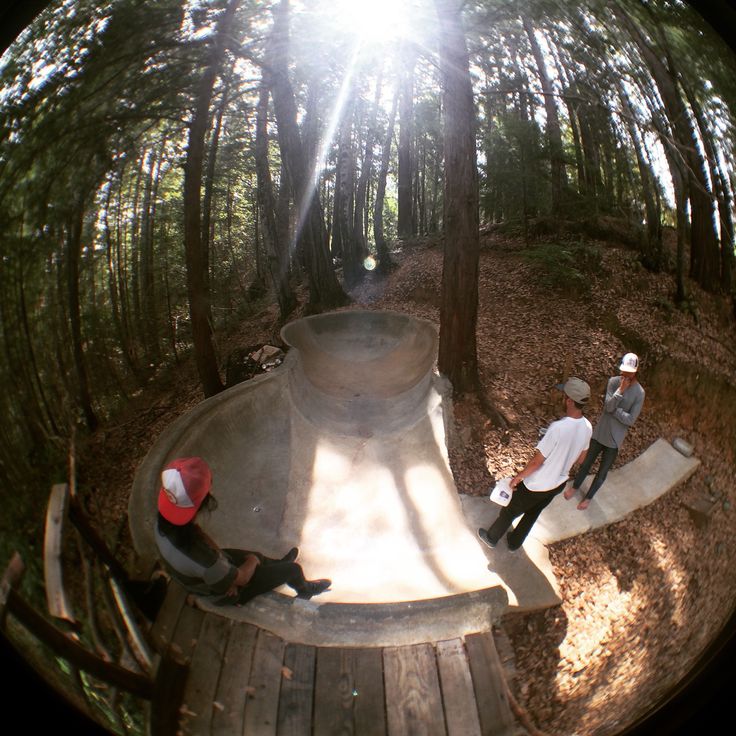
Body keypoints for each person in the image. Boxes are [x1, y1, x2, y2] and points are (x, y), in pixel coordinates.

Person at [154, 456, 331, 604]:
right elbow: (242, 578)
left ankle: (276, 565)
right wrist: (240, 570)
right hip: (224, 593)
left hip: (205, 575)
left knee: (255, 556)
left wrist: (223, 561)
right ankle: (305, 589)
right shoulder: (206, 562)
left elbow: (198, 533)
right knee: (292, 569)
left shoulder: (165, 522)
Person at [478, 377, 592, 551]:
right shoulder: (588, 427)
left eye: (563, 395)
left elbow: (536, 463)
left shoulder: (557, 428)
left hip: (536, 485)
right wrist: (564, 455)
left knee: (510, 510)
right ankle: (514, 542)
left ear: (569, 400)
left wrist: (517, 478)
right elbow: (582, 459)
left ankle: (492, 537)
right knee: (532, 513)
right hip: (557, 484)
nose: (562, 398)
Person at [564, 352, 645, 510]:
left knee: (602, 472)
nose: (625, 373)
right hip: (600, 433)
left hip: (615, 439)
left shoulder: (639, 393)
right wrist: (620, 391)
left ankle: (588, 497)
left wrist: (615, 411)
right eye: (624, 370)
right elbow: (607, 406)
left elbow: (630, 419)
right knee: (586, 463)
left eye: (629, 371)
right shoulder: (614, 382)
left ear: (635, 371)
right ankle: (575, 487)